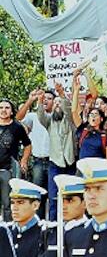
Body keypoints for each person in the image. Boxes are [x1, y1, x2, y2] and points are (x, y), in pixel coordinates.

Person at [36, 86, 77, 221]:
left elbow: (68, 109)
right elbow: (41, 115)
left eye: (60, 102)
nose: (58, 105)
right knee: (53, 198)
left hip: (70, 163)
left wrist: (61, 94)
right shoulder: (49, 122)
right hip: (55, 164)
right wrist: (40, 99)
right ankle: (53, 230)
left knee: (71, 197)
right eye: (56, 103)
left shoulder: (70, 121)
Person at [16, 89, 53, 216]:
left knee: (54, 197)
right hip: (38, 161)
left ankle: (54, 227)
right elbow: (18, 118)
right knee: (38, 196)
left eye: (49, 98)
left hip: (54, 162)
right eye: (44, 97)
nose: (45, 100)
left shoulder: (57, 117)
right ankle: (40, 226)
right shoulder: (33, 116)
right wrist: (30, 100)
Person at [0, 99, 31, 221]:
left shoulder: (17, 127)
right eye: (1, 107)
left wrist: (24, 160)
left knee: (8, 203)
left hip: (8, 170)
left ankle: (8, 232)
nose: (3, 110)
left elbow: (27, 145)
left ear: (12, 111)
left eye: (7, 108)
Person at [42, 174, 87, 257]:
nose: (63, 206)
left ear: (85, 203)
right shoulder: (51, 232)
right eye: (62, 201)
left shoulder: (90, 231)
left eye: (70, 201)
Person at [8, 178, 47, 257]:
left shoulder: (44, 233)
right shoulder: (7, 231)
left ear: (35, 205)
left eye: (20, 202)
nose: (14, 208)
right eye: (12, 202)